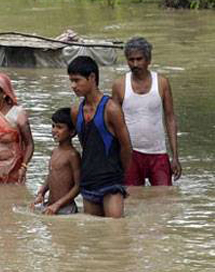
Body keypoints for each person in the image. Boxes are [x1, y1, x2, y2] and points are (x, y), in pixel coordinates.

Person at [111, 37, 182, 186]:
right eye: (131, 60)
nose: (135, 64)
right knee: (133, 199)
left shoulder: (162, 83)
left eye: (139, 59)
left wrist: (175, 156)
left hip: (158, 152)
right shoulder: (119, 85)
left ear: (148, 60)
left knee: (165, 199)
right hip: (130, 154)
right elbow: (113, 123)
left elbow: (170, 118)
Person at [68, 56, 132, 218]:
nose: (73, 86)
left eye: (77, 80)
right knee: (94, 235)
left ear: (92, 78)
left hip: (111, 182)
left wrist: (120, 176)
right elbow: (87, 145)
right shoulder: (76, 111)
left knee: (116, 232)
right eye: (71, 81)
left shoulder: (111, 109)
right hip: (89, 180)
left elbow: (126, 147)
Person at [32, 108, 81, 215]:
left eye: (59, 127)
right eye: (53, 126)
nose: (54, 130)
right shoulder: (54, 151)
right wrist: (41, 192)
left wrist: (58, 205)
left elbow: (78, 186)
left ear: (72, 132)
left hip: (66, 208)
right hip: (50, 205)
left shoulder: (73, 155)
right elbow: (51, 176)